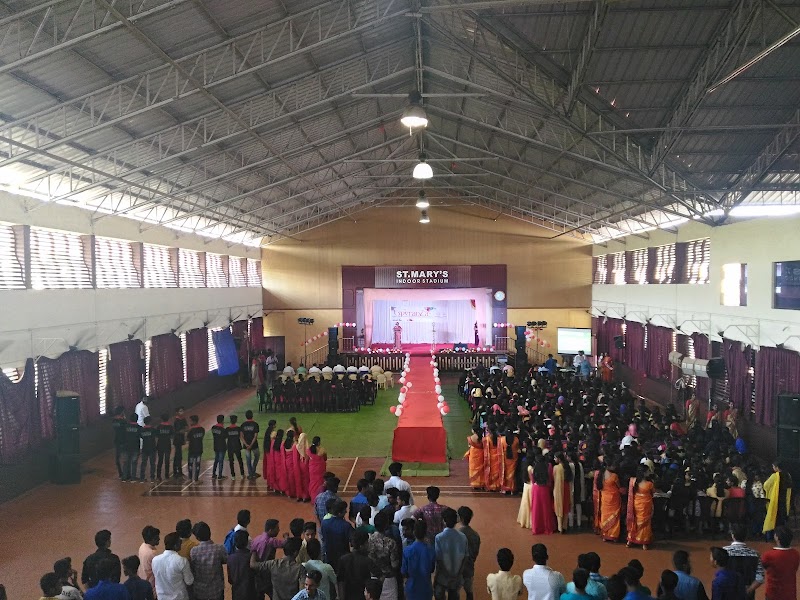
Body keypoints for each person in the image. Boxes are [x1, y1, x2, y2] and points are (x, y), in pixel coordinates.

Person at [434, 507, 468, 600]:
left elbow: (439, 560)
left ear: (444, 521)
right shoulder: (463, 537)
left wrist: (446, 575)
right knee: (454, 596)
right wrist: (458, 574)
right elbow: (465, 557)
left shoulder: (439, 537)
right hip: (456, 576)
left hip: (443, 577)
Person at [723, 524, 763, 599]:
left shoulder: (724, 552)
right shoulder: (755, 554)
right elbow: (760, 578)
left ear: (732, 535)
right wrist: (749, 590)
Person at [189, 522, 227, 600]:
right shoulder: (219, 549)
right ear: (210, 533)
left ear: (197, 538)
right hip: (216, 590)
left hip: (200, 592)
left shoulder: (194, 551)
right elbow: (226, 560)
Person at [368, 511, 401, 600]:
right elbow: (394, 564)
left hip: (373, 578)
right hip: (388, 578)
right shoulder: (391, 543)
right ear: (386, 525)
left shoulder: (369, 540)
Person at [760, 526, 799, 600]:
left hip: (773, 594)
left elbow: (761, 566)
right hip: (790, 594)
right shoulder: (795, 554)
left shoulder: (768, 555)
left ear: (777, 538)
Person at [151, 533, 193, 600]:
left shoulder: (155, 560)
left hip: (162, 597)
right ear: (175, 546)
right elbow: (189, 581)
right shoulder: (182, 561)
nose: (181, 544)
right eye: (180, 542)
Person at [336, 530, 374, 600]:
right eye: (367, 542)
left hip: (347, 596)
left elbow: (340, 581)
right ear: (362, 545)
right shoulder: (367, 561)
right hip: (362, 597)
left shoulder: (343, 559)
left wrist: (341, 597)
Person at [402, 520, 436, 600]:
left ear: (414, 532)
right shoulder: (431, 550)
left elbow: (404, 572)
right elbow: (432, 569)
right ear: (425, 533)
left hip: (412, 588)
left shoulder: (407, 550)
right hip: (426, 589)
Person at [762, 460, 793, 539]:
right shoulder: (788, 475)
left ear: (777, 467)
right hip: (785, 501)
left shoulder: (775, 476)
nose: (773, 468)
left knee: (773, 518)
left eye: (773, 466)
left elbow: (766, 485)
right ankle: (782, 536)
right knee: (782, 519)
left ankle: (771, 537)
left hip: (775, 501)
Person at [626, 467, 654, 550]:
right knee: (645, 523)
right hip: (646, 505)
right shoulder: (649, 484)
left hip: (635, 503)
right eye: (648, 471)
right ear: (644, 473)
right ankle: (644, 542)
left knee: (634, 521)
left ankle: (630, 540)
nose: (649, 472)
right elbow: (652, 492)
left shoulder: (633, 481)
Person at [320, 500, 353, 570]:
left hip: (329, 556)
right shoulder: (346, 525)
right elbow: (353, 540)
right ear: (339, 513)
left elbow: (323, 537)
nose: (346, 512)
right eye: (344, 511)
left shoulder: (324, 523)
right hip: (343, 558)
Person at [595, 462, 622, 542]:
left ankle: (605, 534)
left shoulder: (601, 475)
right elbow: (619, 486)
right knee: (615, 516)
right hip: (614, 498)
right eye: (613, 465)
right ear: (608, 466)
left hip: (604, 498)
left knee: (605, 515)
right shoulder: (614, 476)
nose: (614, 467)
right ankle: (614, 535)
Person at [458, 506, 480, 600]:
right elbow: (475, 552)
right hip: (469, 567)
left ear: (460, 519)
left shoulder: (457, 534)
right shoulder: (475, 535)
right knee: (469, 591)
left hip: (457, 568)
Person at [227, 530, 256, 600]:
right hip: (251, 593)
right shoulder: (252, 556)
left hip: (236, 594)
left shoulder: (230, 558)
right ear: (247, 542)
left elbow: (230, 579)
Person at [530, 455, 554, 536]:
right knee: (546, 508)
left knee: (536, 508)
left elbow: (533, 481)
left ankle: (536, 528)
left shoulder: (534, 468)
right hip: (545, 489)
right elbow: (550, 479)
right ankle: (547, 527)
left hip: (536, 489)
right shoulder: (548, 467)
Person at [552, 453, 573, 534]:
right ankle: (564, 526)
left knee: (559, 507)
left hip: (558, 488)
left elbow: (553, 478)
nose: (554, 459)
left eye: (555, 458)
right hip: (566, 488)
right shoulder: (567, 466)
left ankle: (560, 527)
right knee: (565, 507)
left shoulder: (556, 468)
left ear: (559, 459)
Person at [137, 526, 160, 593]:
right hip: (151, 584)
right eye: (156, 538)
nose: (159, 539)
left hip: (143, 578)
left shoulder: (142, 546)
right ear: (151, 540)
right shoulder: (152, 553)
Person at [241, 410, 261, 480]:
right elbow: (255, 436)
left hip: (246, 446)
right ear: (252, 415)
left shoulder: (243, 425)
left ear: (246, 416)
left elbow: (241, 436)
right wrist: (251, 445)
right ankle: (253, 471)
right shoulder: (255, 424)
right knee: (257, 456)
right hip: (254, 445)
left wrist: (246, 445)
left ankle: (250, 474)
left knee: (248, 459)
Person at [308, 437, 328, 502]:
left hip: (312, 468)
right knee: (320, 482)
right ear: (319, 442)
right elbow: (325, 458)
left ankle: (313, 498)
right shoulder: (322, 450)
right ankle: (320, 498)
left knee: (313, 482)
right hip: (320, 469)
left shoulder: (309, 449)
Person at [123, 412, 141, 482]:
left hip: (126, 446)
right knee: (134, 463)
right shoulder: (139, 428)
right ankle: (133, 478)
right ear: (137, 419)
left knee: (126, 462)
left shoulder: (125, 426)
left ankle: (124, 477)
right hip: (135, 447)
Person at [186, 415, 205, 483]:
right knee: (197, 464)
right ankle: (196, 479)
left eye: (190, 421)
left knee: (190, 464)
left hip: (192, 450)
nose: (190, 422)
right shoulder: (202, 429)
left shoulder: (191, 430)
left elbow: (187, 439)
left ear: (194, 421)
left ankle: (190, 478)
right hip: (199, 449)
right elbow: (201, 437)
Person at [227, 415, 245, 481]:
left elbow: (225, 437)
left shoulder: (227, 429)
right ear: (236, 420)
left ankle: (233, 476)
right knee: (240, 460)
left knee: (231, 461)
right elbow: (241, 436)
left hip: (230, 446)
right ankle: (242, 474)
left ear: (230, 420)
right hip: (237, 446)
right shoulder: (238, 428)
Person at [155, 414, 173, 480]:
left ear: (161, 419)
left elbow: (156, 437)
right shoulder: (170, 427)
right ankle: (167, 476)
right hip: (167, 445)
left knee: (160, 460)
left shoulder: (159, 427)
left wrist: (156, 445)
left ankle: (158, 476)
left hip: (160, 445)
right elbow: (172, 436)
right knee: (167, 461)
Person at [111, 407, 127, 480]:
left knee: (117, 458)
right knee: (125, 458)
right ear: (121, 413)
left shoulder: (113, 421)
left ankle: (120, 473)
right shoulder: (123, 422)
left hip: (117, 440)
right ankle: (125, 474)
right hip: (123, 441)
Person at [139, 416, 157, 482]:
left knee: (143, 463)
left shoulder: (141, 430)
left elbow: (141, 436)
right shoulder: (153, 430)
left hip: (144, 448)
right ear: (150, 422)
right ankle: (152, 478)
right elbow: (156, 436)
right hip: (152, 448)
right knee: (152, 464)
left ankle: (142, 478)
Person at [211, 415, 228, 481]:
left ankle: (213, 474)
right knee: (221, 461)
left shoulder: (213, 427)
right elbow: (225, 437)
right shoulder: (223, 429)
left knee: (216, 460)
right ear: (222, 420)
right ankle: (220, 476)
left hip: (216, 446)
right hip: (222, 447)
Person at [172, 407, 187, 479]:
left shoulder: (183, 419)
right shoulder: (177, 421)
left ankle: (179, 471)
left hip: (181, 439)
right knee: (177, 456)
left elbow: (186, 427)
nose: (182, 412)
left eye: (182, 411)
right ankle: (176, 472)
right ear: (177, 412)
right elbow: (179, 431)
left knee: (179, 456)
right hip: (177, 440)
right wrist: (183, 431)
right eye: (180, 411)